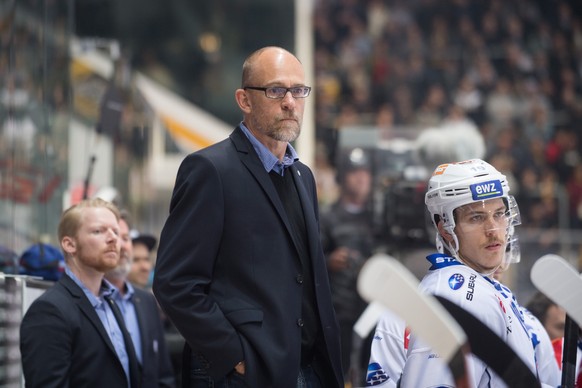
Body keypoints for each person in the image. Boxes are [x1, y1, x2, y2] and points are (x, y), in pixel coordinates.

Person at [152, 46, 343, 388]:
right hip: (247, 373)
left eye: (298, 91)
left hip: (309, 369)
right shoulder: (210, 170)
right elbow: (175, 283)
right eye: (275, 90)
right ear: (244, 99)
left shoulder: (303, 177)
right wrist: (233, 356)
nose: (290, 102)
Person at [398, 159, 549, 387]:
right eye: (476, 218)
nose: (493, 230)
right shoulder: (457, 296)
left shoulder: (479, 284)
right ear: (445, 229)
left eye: (499, 214)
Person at [19, 198, 136, 387]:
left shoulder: (111, 303)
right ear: (69, 244)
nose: (114, 238)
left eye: (115, 231)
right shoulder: (49, 311)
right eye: (98, 231)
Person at [320, 146, 377, 385]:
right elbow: (308, 263)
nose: (361, 177)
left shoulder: (381, 216)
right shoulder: (326, 216)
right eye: (354, 172)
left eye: (365, 171)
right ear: (342, 177)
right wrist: (329, 261)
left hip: (376, 310)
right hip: (339, 312)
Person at [105, 211, 176, 388]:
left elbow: (163, 372)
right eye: (138, 260)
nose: (145, 267)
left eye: (125, 238)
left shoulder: (147, 302)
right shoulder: (92, 300)